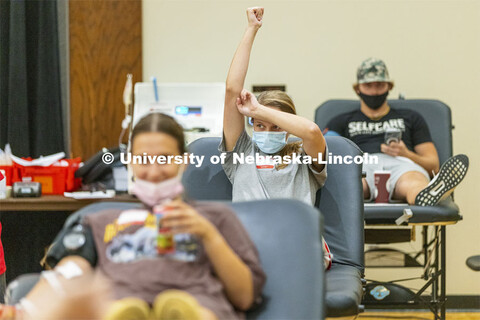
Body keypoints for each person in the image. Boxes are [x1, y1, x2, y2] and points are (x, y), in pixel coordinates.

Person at [13, 113, 265, 320]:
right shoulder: (101, 221)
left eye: (164, 159)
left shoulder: (215, 217)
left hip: (198, 305)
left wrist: (208, 234)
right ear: (130, 162)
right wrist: (24, 312)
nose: (154, 172)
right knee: (112, 310)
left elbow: (245, 296)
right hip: (121, 305)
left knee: (199, 314)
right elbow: (67, 273)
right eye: (143, 160)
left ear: (184, 161)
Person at [219, 7, 332, 269]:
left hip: (296, 244)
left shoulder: (303, 158)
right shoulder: (241, 153)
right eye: (259, 125)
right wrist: (251, 29)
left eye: (275, 125)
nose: (266, 132)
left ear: (289, 127)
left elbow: (313, 132)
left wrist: (258, 110)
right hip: (250, 245)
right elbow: (231, 91)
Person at [325, 57, 469, 205]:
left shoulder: (411, 117)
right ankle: (338, 196)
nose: (374, 92)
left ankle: (429, 195)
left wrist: (406, 153)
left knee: (414, 182)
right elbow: (328, 155)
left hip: (402, 164)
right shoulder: (340, 121)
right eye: (368, 85)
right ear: (358, 89)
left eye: (380, 85)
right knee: (351, 185)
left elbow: (433, 164)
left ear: (389, 86)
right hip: (362, 164)